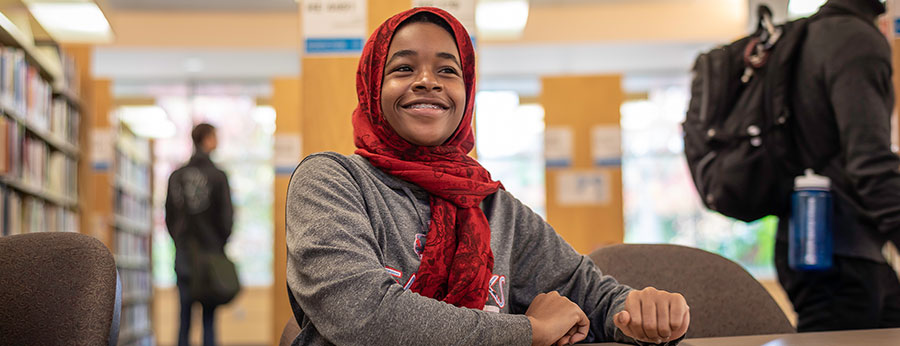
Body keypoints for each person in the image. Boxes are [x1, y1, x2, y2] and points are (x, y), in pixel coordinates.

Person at [285, 7, 689, 346]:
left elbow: (593, 298)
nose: (427, 81)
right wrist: (528, 331)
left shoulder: (493, 205)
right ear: (373, 87)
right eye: (404, 67)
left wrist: (643, 313)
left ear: (467, 91)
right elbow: (360, 315)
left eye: (448, 70)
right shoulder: (331, 180)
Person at [775, 0, 900, 332]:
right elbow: (871, 163)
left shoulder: (806, 36)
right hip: (841, 253)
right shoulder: (856, 39)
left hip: (809, 240)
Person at [165, 123, 234, 346]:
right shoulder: (218, 176)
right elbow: (226, 218)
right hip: (210, 257)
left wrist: (180, 241)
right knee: (209, 321)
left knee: (183, 319)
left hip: (184, 255)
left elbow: (168, 216)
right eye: (215, 137)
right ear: (207, 139)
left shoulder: (176, 176)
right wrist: (219, 243)